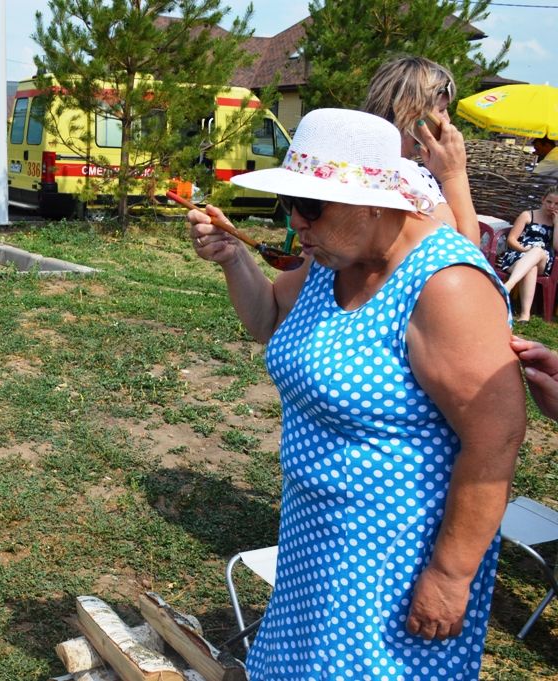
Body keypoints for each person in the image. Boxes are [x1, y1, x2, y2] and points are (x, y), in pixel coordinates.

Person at [188, 108, 524, 679]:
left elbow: (495, 439)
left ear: (374, 200)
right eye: (290, 206)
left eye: (311, 208)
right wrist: (234, 259)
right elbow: (270, 319)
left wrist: (450, 574)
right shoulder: (331, 262)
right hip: (314, 533)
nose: (297, 225)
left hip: (396, 558)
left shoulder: (446, 287)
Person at [362, 56, 480, 243]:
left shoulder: (359, 164)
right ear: (412, 113)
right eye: (441, 110)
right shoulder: (405, 175)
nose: (447, 120)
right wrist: (454, 175)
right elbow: (465, 248)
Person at [495, 186, 558, 321]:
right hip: (518, 255)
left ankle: (508, 285)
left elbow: (556, 247)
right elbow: (512, 239)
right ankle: (525, 315)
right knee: (531, 267)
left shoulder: (556, 222)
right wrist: (524, 250)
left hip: (543, 260)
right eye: (549, 202)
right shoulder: (528, 215)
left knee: (538, 251)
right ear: (543, 200)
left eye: (556, 204)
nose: (551, 206)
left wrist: (557, 224)